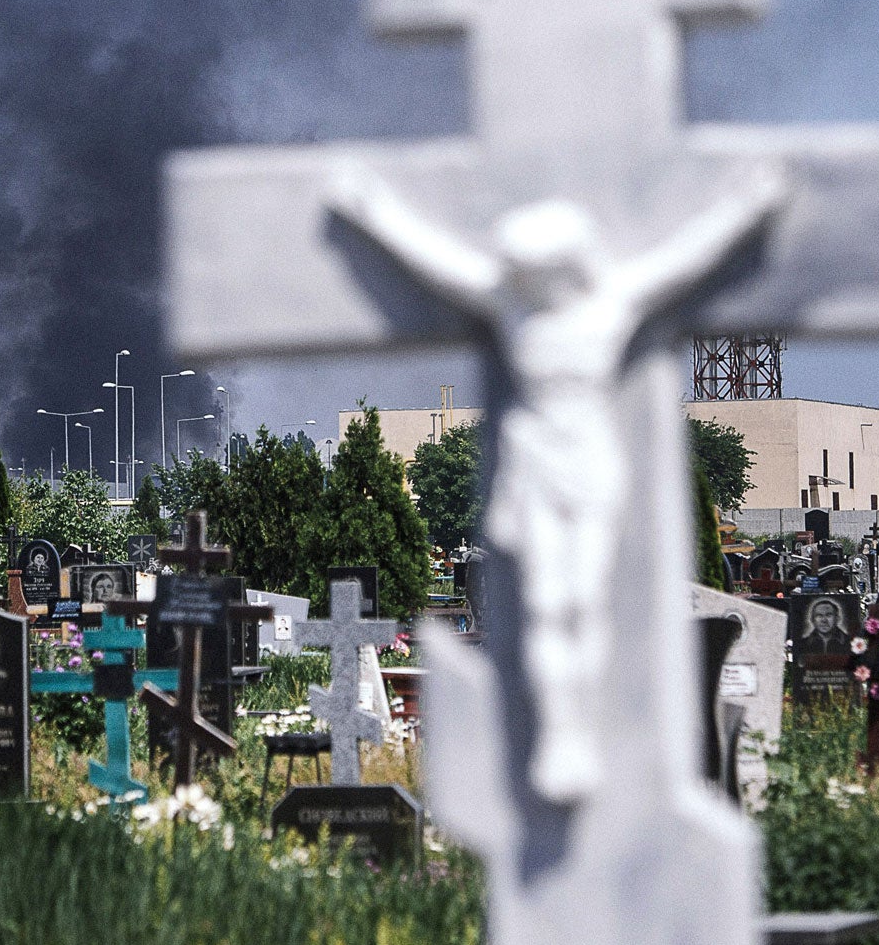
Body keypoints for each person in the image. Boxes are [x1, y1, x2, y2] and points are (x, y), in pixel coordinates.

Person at [330, 159, 790, 801]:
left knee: (584, 602)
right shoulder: (513, 310)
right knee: (548, 604)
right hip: (534, 466)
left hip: (590, 466)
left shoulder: (613, 302)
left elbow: (687, 259)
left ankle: (587, 732)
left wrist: (746, 209)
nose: (529, 282)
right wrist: (373, 212)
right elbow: (438, 264)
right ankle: (560, 736)